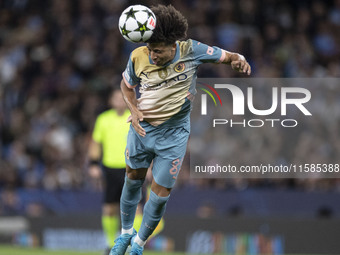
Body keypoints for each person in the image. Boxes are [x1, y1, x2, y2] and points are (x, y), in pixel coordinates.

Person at [111, 4, 251, 255]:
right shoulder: (137, 56)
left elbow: (229, 56)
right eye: (151, 51)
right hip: (142, 130)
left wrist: (239, 60)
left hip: (173, 135)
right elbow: (126, 85)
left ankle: (139, 245)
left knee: (160, 194)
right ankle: (124, 235)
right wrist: (132, 109)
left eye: (159, 51)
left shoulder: (192, 50)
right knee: (132, 181)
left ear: (174, 44)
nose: (154, 56)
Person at [88, 89, 130, 255]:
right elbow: (96, 143)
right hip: (110, 168)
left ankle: (129, 242)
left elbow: (144, 142)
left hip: (131, 169)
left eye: (122, 98)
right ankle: (109, 243)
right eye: (116, 98)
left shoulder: (134, 117)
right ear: (111, 101)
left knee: (133, 208)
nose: (119, 101)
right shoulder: (103, 119)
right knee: (109, 208)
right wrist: (93, 163)